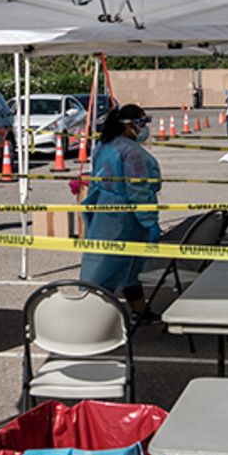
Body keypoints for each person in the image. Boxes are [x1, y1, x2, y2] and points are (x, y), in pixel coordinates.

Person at [79, 105, 161, 318]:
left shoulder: (104, 146)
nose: (144, 129)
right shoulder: (130, 152)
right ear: (130, 124)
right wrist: (149, 220)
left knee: (126, 267)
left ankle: (139, 310)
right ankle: (90, 315)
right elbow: (138, 189)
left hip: (105, 213)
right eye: (141, 123)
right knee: (109, 267)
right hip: (124, 218)